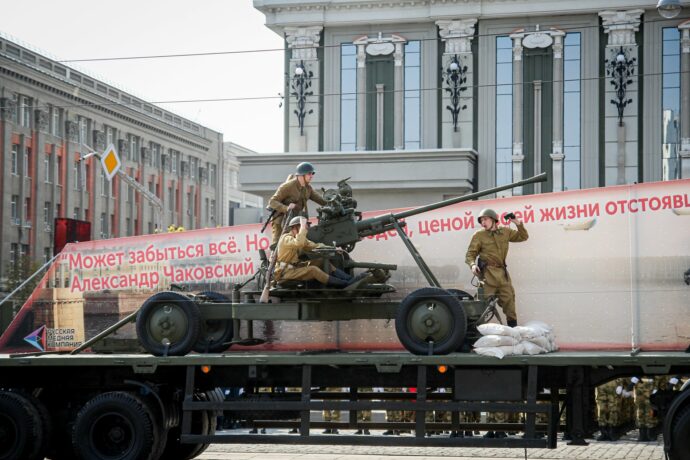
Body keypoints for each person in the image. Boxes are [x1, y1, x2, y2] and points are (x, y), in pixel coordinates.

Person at [465, 208, 528, 327]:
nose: (483, 222)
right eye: (481, 220)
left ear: (494, 220)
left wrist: (516, 221)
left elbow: (523, 237)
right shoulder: (479, 235)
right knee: (481, 306)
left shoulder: (505, 232)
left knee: (509, 303)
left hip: (502, 275)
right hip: (487, 276)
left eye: (485, 219)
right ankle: (474, 332)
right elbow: (470, 254)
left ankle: (513, 331)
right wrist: (473, 265)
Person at [274, 216, 367, 288]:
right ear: (296, 228)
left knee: (321, 261)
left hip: (295, 267)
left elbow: (315, 245)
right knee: (313, 270)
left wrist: (334, 249)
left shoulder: (299, 238)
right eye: (304, 228)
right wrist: (302, 227)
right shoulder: (286, 238)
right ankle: (345, 284)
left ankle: (350, 279)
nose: (306, 230)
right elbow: (299, 243)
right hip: (285, 272)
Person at [268, 162, 327, 247]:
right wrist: (286, 208)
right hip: (281, 223)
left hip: (295, 222)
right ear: (301, 175)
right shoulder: (288, 186)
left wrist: (334, 201)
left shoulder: (308, 188)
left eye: (312, 174)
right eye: (309, 173)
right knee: (277, 248)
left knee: (301, 245)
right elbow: (272, 201)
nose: (311, 176)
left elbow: (321, 200)